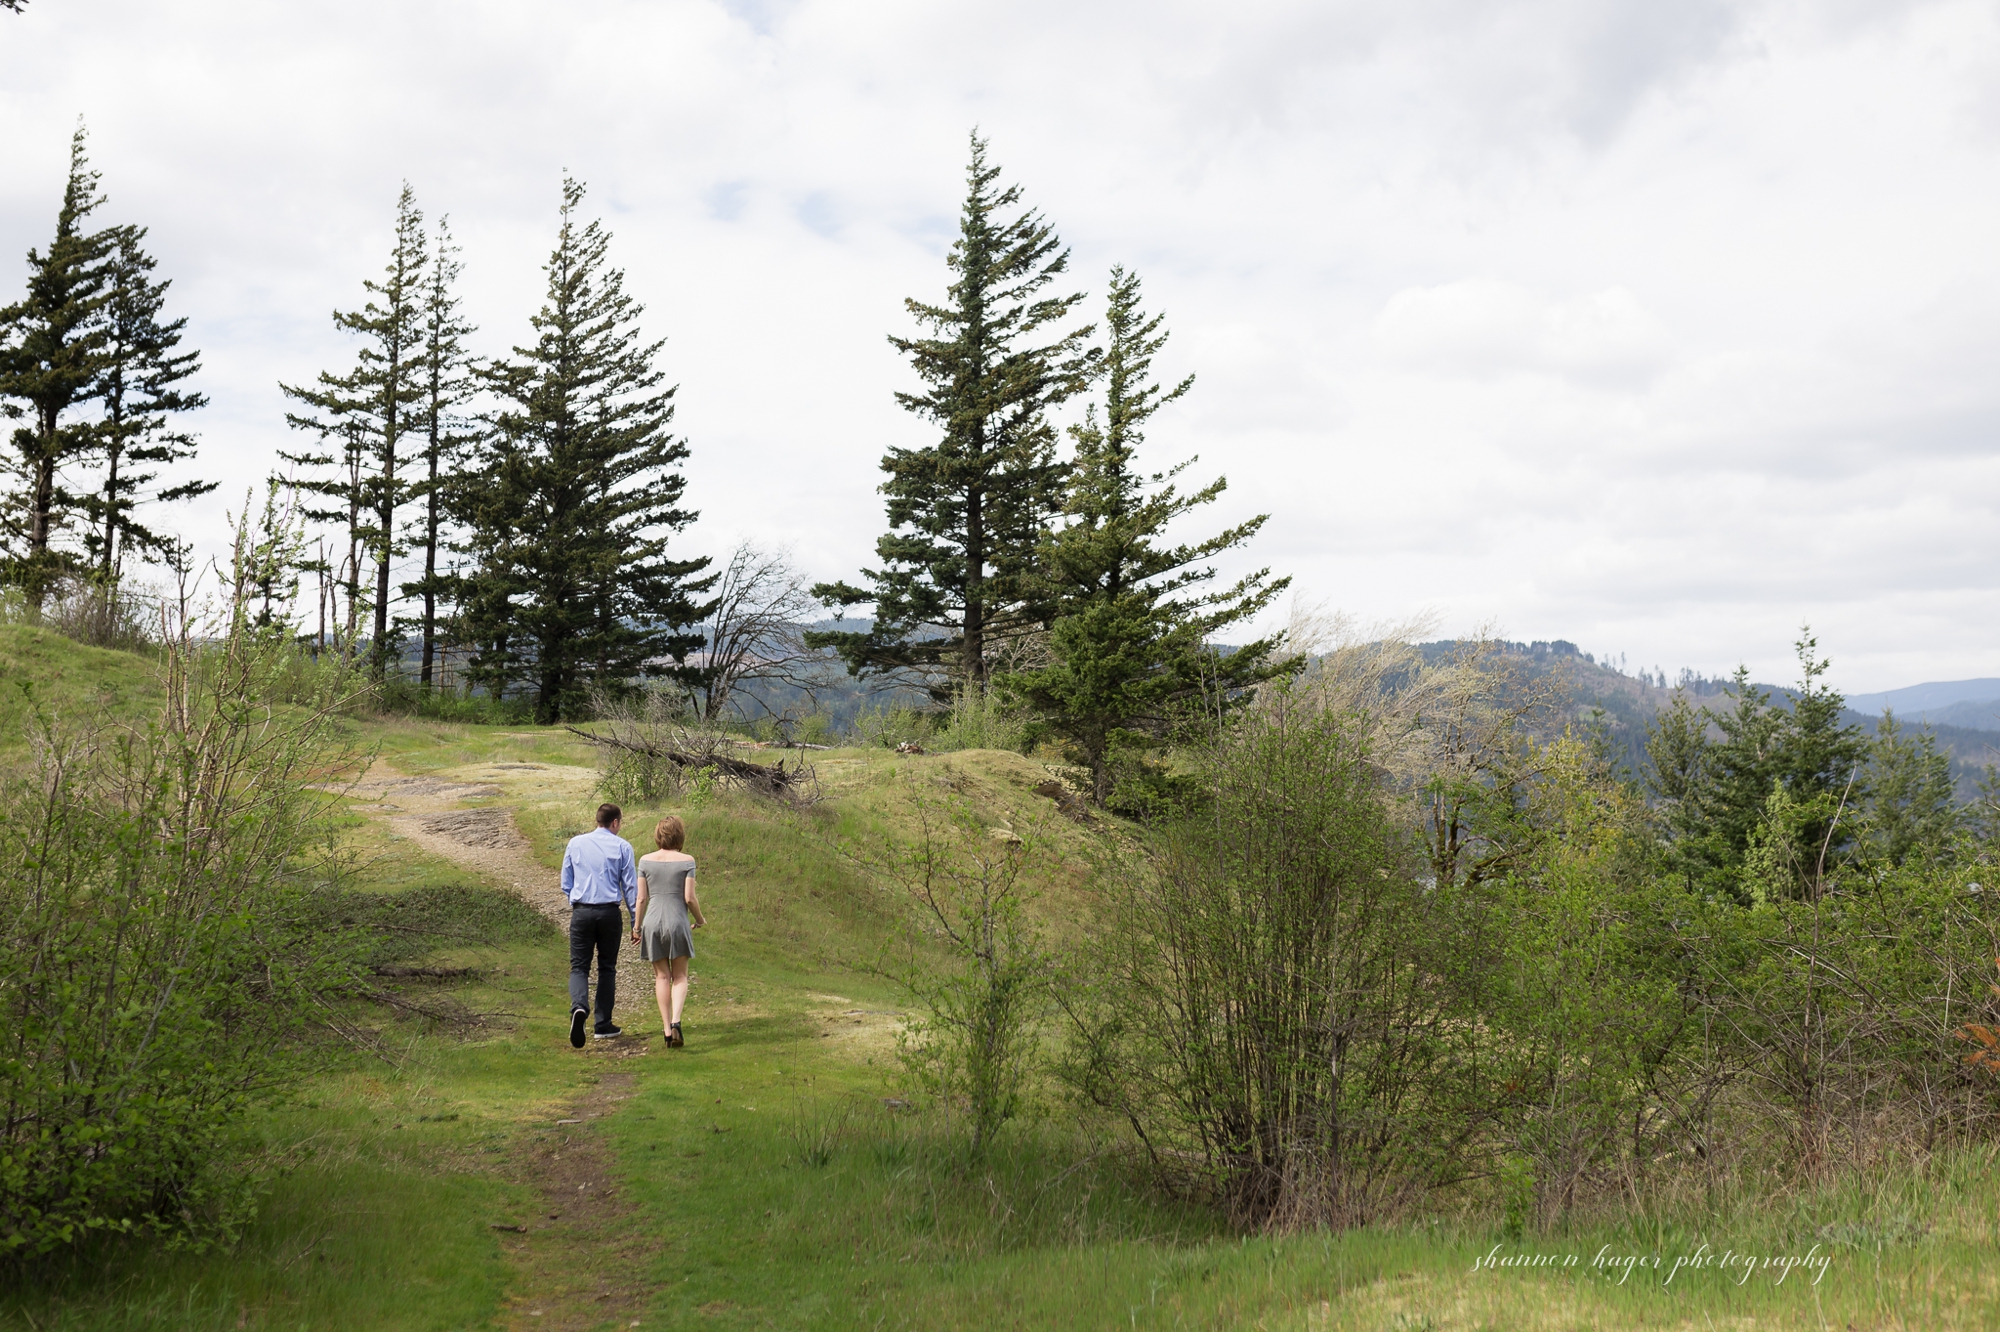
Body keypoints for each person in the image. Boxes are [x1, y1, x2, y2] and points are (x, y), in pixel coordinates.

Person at [560, 802, 637, 1047]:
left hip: (582, 911)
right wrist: (636, 922)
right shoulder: (623, 847)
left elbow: (565, 882)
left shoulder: (575, 843)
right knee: (607, 967)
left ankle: (579, 1007)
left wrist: (577, 899)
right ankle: (603, 1023)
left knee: (579, 967)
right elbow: (630, 888)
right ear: (615, 822)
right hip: (609, 913)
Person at [633, 815, 705, 1047]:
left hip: (652, 922)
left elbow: (642, 898)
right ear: (679, 835)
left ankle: (665, 1031)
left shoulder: (645, 861)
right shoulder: (687, 861)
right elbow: (689, 898)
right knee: (680, 976)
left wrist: (636, 927)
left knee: (661, 976)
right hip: (677, 921)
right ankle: (676, 1022)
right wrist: (700, 920)